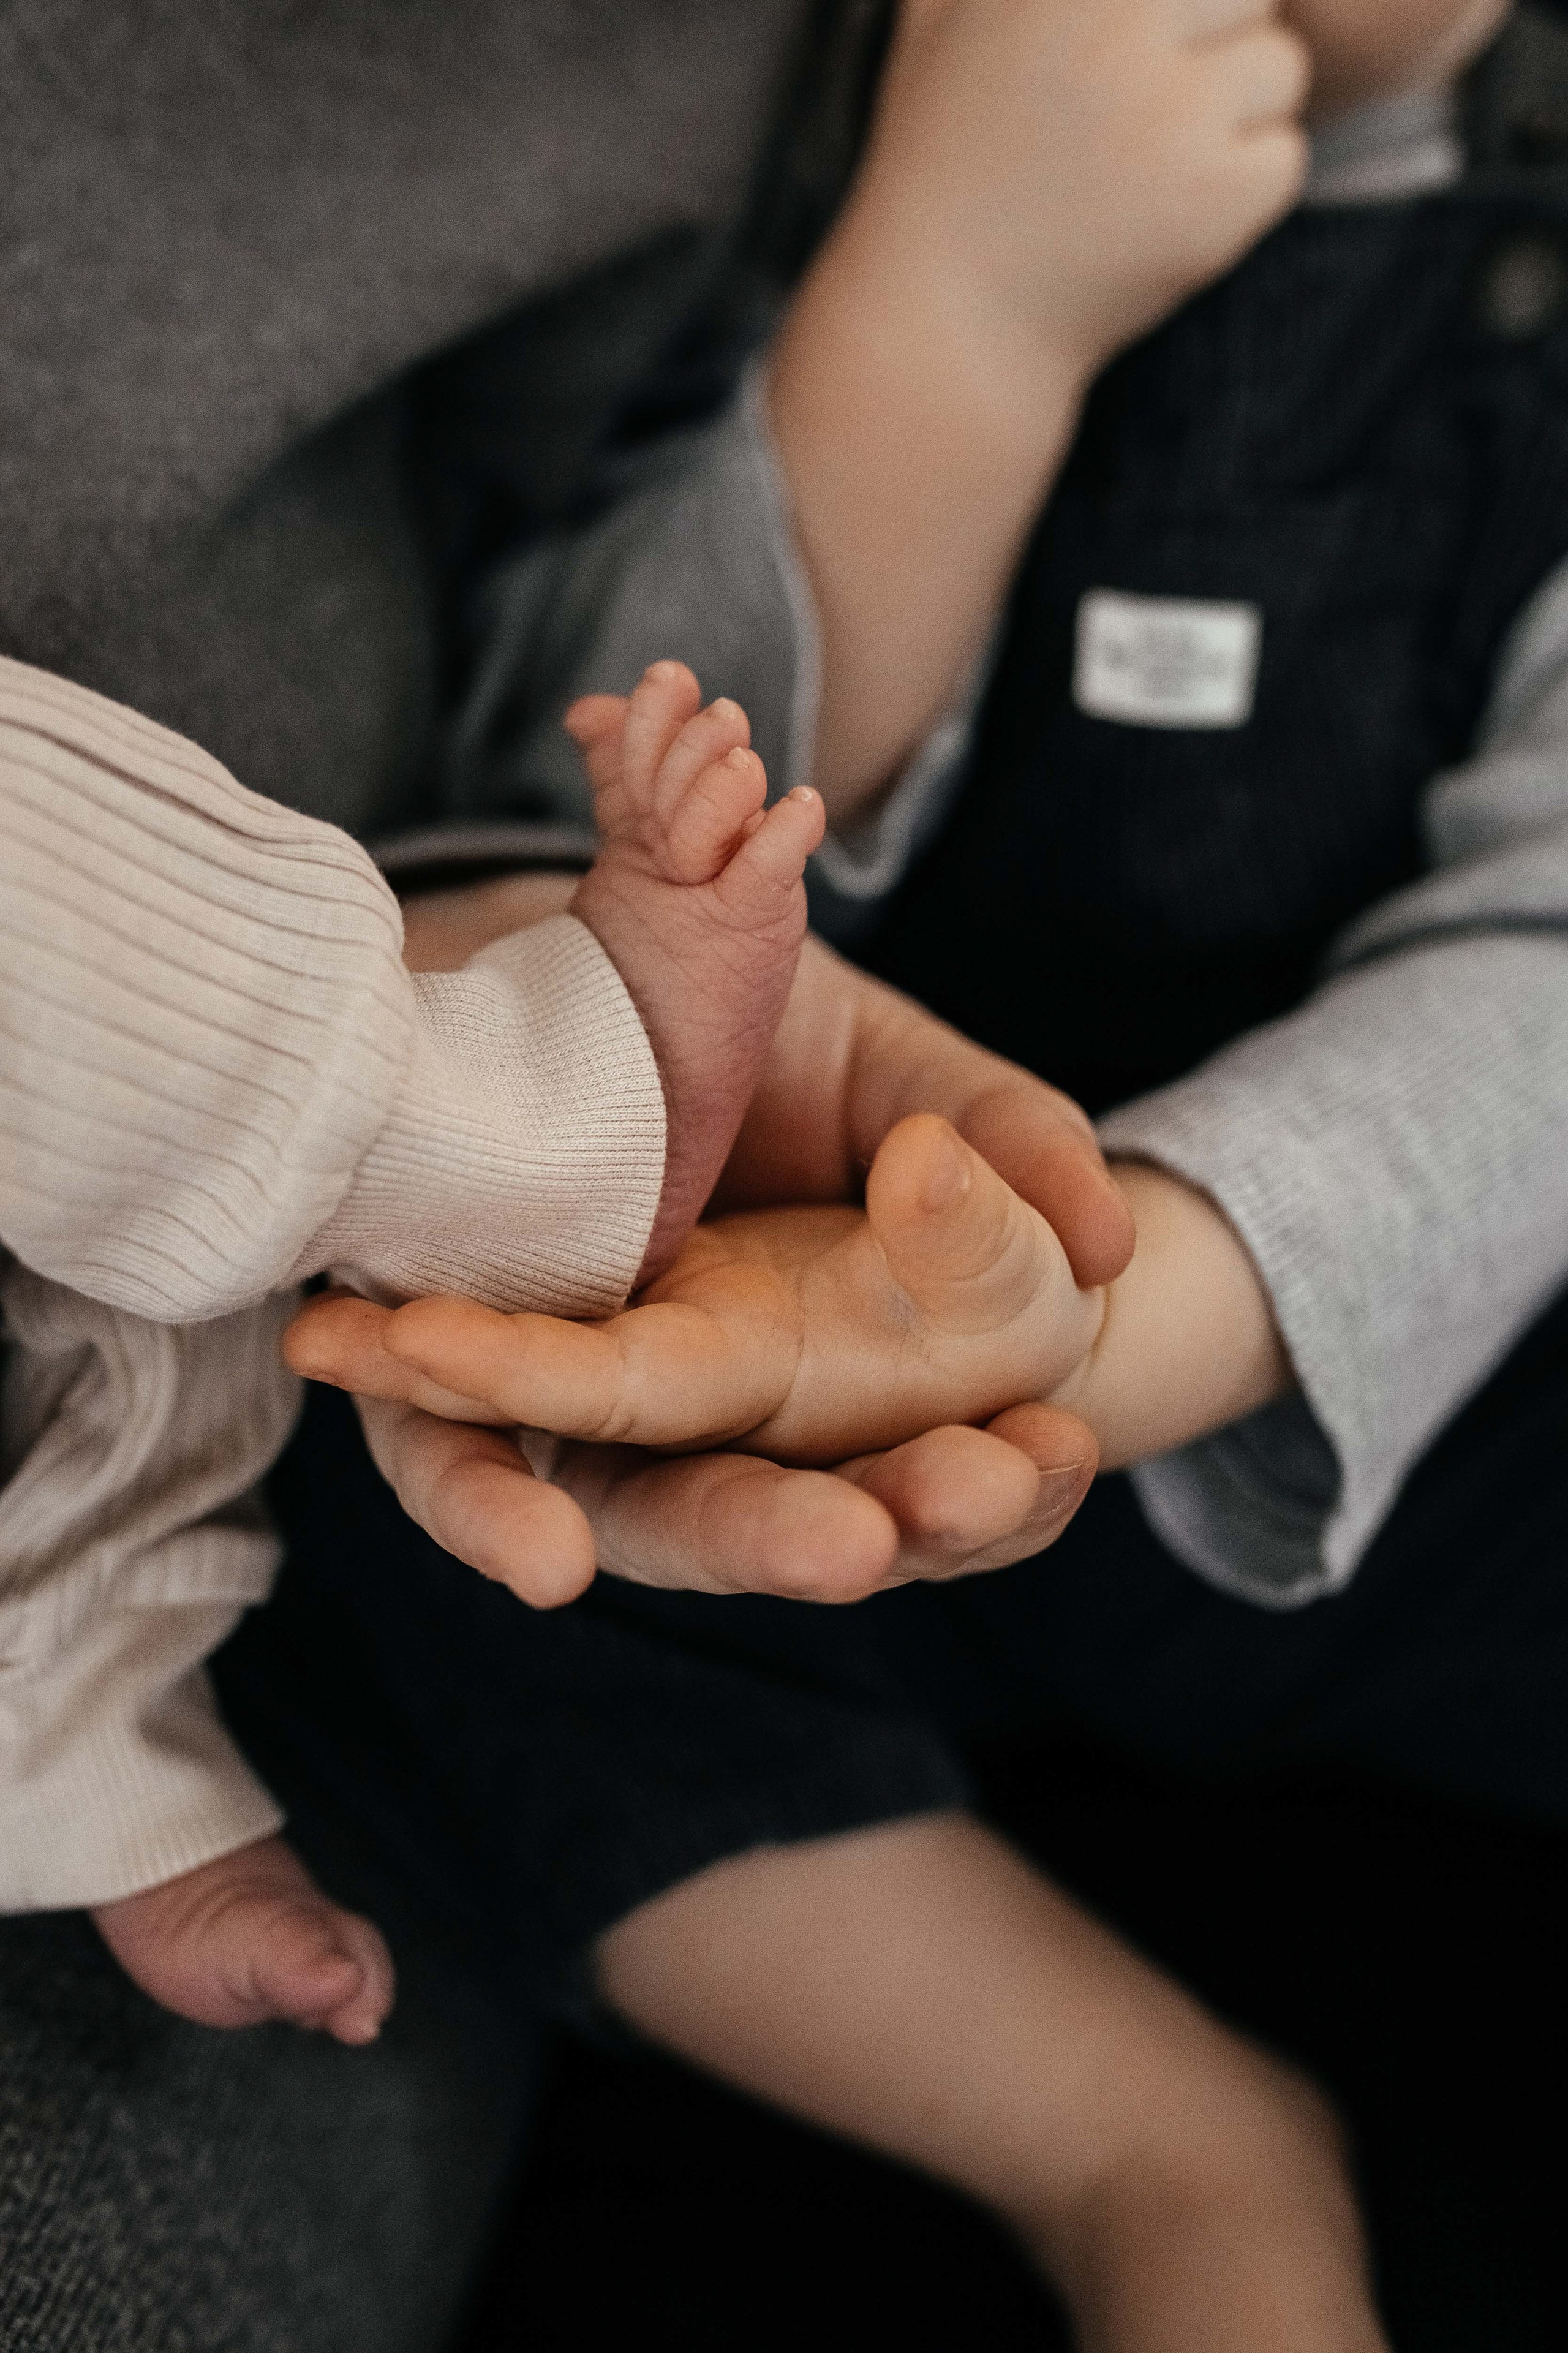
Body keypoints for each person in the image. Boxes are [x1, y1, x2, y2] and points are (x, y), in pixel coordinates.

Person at [292, 0, 1568, 2343]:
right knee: (396, 1426)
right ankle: (1154, 2146)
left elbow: (1540, 996)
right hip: (828, 1328)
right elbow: (546, 786)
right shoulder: (811, 103)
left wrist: (1118, 1316)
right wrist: (950, 312)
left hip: (1397, 1358)